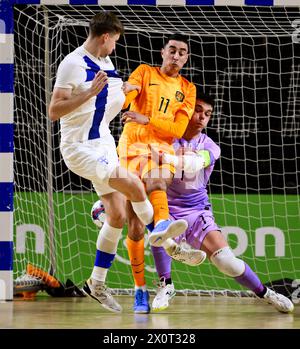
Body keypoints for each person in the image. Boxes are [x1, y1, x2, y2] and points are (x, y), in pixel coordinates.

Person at [48, 11, 158, 313]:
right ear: (105, 37)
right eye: (115, 42)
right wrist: (89, 94)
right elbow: (54, 111)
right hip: (79, 149)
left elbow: (108, 102)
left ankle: (96, 282)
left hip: (104, 143)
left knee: (118, 216)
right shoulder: (72, 64)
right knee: (135, 185)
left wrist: (128, 96)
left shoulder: (107, 63)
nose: (115, 48)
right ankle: (167, 240)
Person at [150, 92, 294, 314]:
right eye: (198, 110)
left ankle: (265, 293)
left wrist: (168, 158)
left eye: (207, 114)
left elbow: (194, 163)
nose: (202, 117)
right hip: (167, 208)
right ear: (186, 109)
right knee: (157, 226)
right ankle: (165, 285)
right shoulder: (164, 138)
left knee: (227, 262)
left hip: (197, 212)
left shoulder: (210, 146)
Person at [118, 33, 206, 314]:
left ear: (186, 58)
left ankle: (163, 224)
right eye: (172, 50)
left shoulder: (188, 89)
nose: (177, 55)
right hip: (132, 147)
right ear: (163, 52)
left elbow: (178, 130)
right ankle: (140, 290)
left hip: (160, 150)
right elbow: (127, 98)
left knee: (157, 179)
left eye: (182, 52)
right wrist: (125, 92)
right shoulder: (145, 72)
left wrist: (147, 118)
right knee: (133, 226)